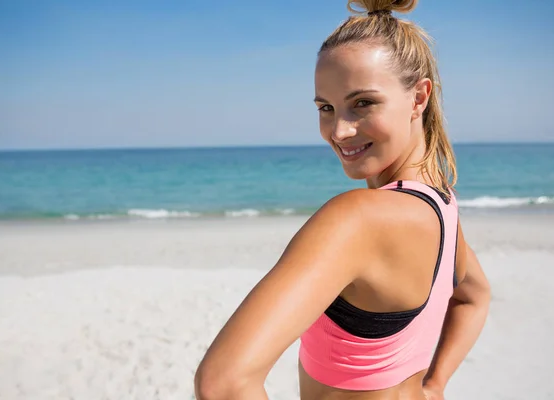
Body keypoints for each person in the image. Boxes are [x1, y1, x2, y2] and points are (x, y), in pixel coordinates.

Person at [194, 0, 491, 399]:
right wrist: (434, 385)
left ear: (419, 97)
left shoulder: (358, 218)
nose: (340, 130)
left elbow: (223, 383)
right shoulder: (441, 205)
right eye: (326, 108)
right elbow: (473, 296)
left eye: (363, 103)